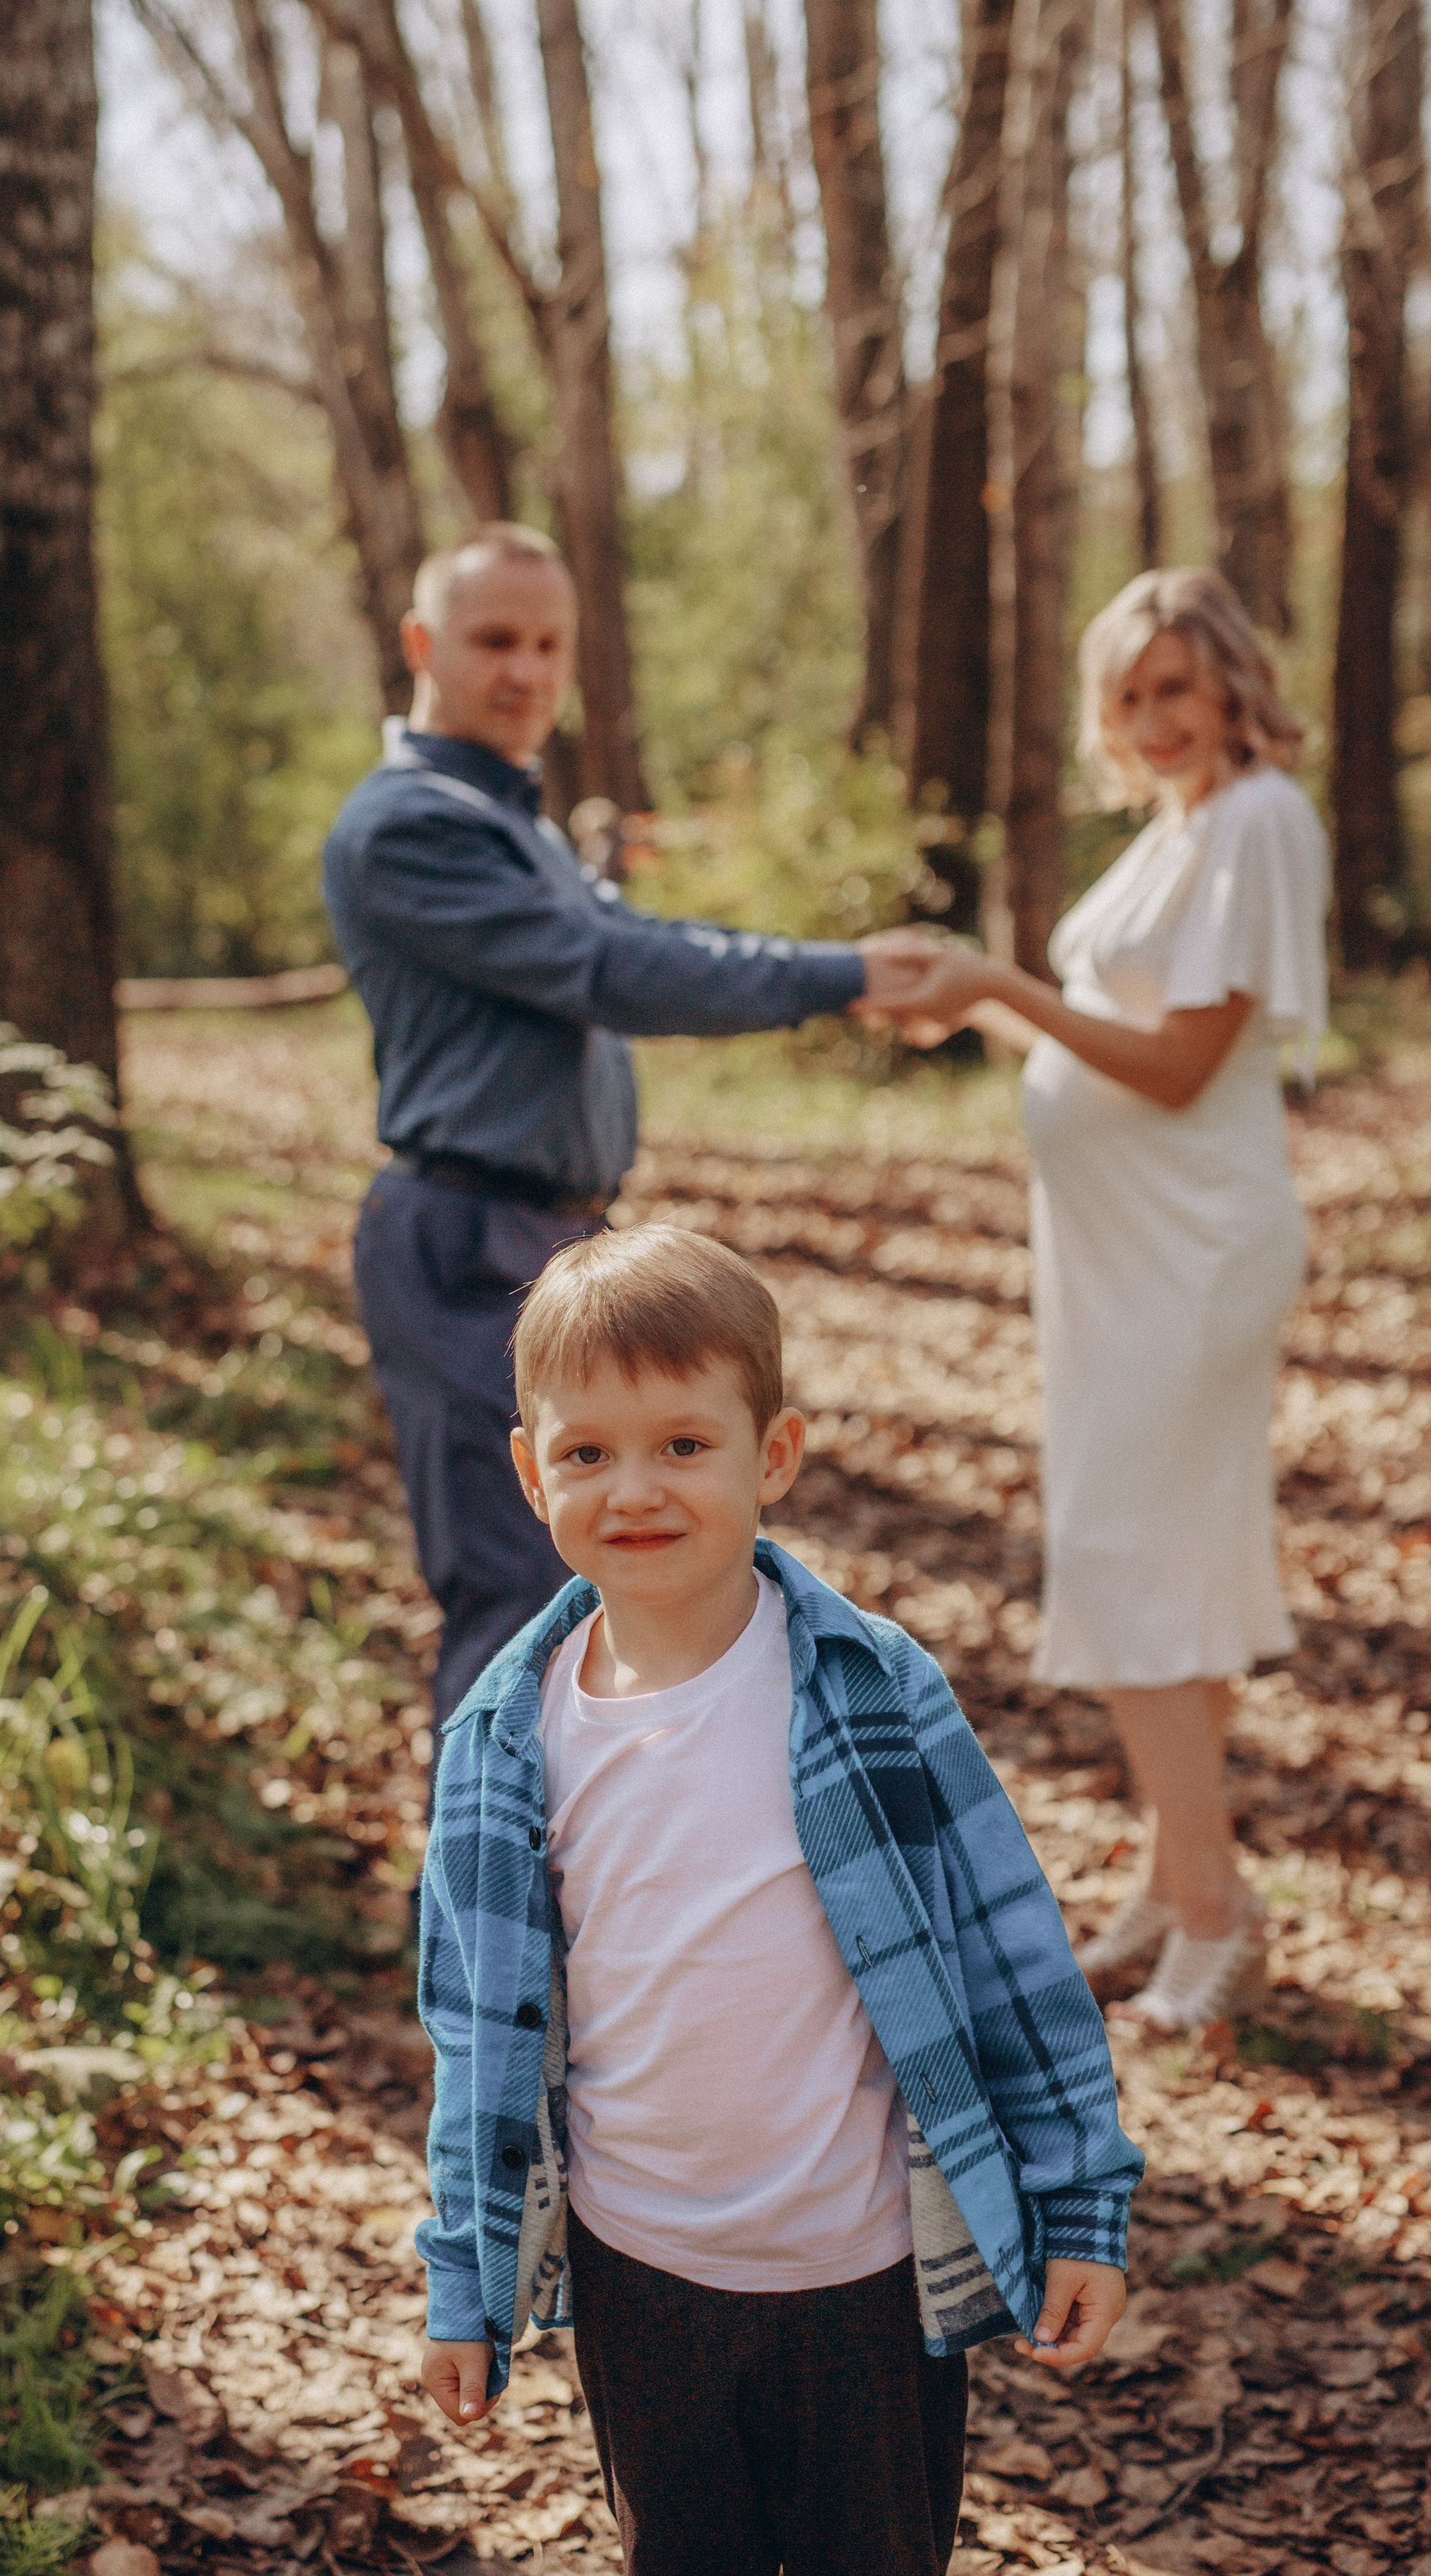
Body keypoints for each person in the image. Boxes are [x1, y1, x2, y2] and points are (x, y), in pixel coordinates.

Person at [414, 1224, 1139, 2576]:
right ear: (531, 1477)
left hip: (861, 2277)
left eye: (685, 1444)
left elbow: (1008, 1952)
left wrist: (1080, 2201)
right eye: (588, 1453)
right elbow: (475, 2037)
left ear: (775, 1455)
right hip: (643, 2277)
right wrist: (463, 2280)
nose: (636, 1488)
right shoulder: (504, 1741)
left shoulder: (871, 1689)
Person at [322, 521, 937, 1729]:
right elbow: (610, 969)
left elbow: (638, 943)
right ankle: (479, 1861)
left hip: (547, 1240)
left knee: (593, 1606)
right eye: (495, 640)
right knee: (516, 1603)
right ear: (421, 645)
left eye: (549, 645)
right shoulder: (410, 824)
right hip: (463, 1242)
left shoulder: (518, 822)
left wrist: (848, 970)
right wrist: (848, 975)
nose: (527, 671)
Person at [867, 568, 1330, 2035]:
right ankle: (1171, 1875)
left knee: (1131, 1561)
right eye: (1126, 695)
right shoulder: (1176, 829)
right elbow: (1104, 1036)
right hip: (1119, 1250)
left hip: (1190, 1249)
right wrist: (973, 1001)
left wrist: (999, 985)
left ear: (1233, 682)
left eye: (1173, 687)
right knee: (1163, 1561)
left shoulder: (1257, 819)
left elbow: (1180, 1065)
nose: (1151, 718)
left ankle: (1219, 1915)